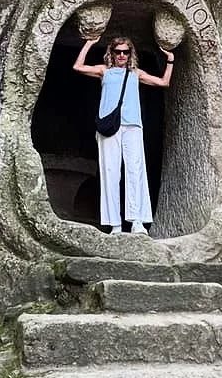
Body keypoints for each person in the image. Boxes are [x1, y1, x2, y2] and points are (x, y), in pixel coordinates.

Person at [73, 34, 174, 235]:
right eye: (117, 52)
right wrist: (89, 43)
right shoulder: (105, 71)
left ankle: (137, 222)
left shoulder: (136, 73)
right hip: (109, 126)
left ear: (130, 54)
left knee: (135, 171)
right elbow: (78, 67)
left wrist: (170, 59)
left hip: (133, 126)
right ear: (111, 53)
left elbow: (164, 82)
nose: (121, 55)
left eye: (125, 52)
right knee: (110, 172)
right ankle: (115, 224)